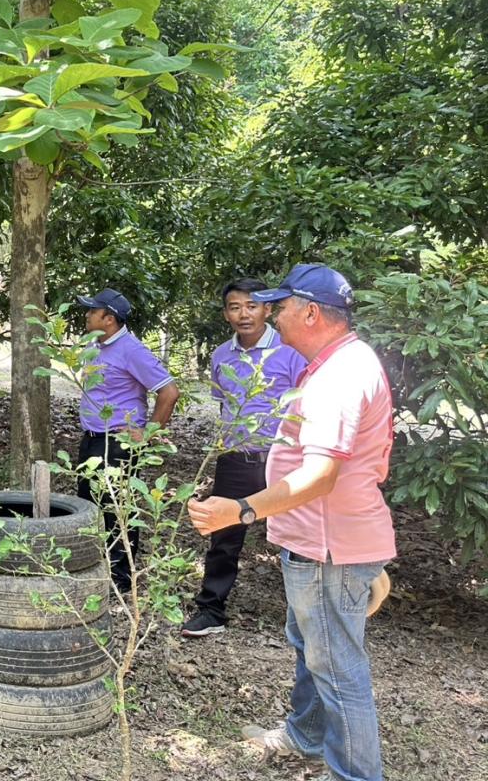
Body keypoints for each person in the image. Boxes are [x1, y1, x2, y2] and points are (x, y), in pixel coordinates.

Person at [188, 264, 395, 781]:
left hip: (329, 548)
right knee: (312, 648)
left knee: (338, 671)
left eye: (279, 307)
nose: (272, 316)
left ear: (309, 312)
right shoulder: (336, 363)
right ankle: (305, 736)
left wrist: (239, 510)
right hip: (331, 544)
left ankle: (355, 775)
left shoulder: (339, 377)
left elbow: (322, 476)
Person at [181, 278, 307, 637]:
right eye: (235, 307)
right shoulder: (221, 355)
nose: (244, 314)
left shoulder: (291, 351)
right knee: (224, 535)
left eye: (252, 306)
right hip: (235, 458)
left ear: (268, 309)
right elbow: (223, 403)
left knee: (299, 535)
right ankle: (211, 611)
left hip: (282, 461)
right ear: (225, 314)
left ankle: (307, 618)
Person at [75, 288, 180, 593]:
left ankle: (122, 581)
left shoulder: (131, 350)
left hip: (117, 443)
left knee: (117, 509)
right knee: (90, 506)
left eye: (92, 311)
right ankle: (97, 570)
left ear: (108, 319)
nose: (86, 315)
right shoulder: (95, 345)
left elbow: (169, 392)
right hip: (92, 439)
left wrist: (148, 433)